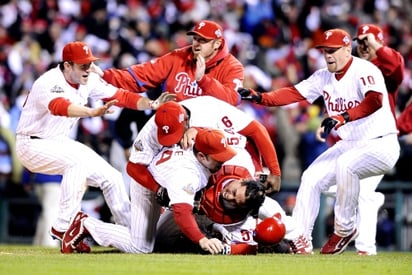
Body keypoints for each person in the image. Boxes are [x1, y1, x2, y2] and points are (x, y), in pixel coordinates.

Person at [238, 28, 400, 255]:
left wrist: (343, 116)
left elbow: (374, 100)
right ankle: (300, 239)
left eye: (333, 50)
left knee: (346, 165)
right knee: (311, 178)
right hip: (350, 143)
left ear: (347, 49)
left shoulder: (364, 68)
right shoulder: (323, 76)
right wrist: (261, 97)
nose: (328, 55)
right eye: (325, 51)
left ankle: (344, 229)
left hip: (380, 143)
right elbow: (293, 93)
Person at [14, 41, 175, 253]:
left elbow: (119, 96)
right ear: (68, 65)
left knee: (112, 177)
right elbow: (60, 107)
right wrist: (91, 112)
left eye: (90, 63)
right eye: (83, 65)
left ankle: (135, 235)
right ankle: (63, 227)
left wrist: (150, 104)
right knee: (77, 163)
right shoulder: (49, 81)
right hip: (31, 144)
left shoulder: (87, 79)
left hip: (58, 141)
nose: (88, 68)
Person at [60, 128, 265, 254]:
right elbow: (182, 213)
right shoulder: (189, 175)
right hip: (150, 188)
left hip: (161, 179)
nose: (223, 160)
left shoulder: (195, 142)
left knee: (135, 233)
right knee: (141, 247)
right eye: (217, 157)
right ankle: (85, 224)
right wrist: (201, 239)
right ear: (202, 156)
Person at [322, 23, 405, 256]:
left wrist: (376, 46)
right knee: (328, 185)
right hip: (353, 140)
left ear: (379, 43)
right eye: (360, 42)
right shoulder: (349, 71)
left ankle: (366, 249)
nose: (363, 46)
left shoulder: (383, 69)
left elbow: (397, 67)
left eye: (367, 41)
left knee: (363, 191)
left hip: (377, 140)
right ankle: (367, 232)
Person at [91, 20, 244, 106]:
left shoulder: (232, 66)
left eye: (203, 40)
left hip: (211, 133)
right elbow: (139, 77)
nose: (196, 44)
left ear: (217, 44)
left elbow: (233, 99)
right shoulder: (179, 57)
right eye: (195, 38)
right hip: (173, 126)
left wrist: (203, 81)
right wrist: (104, 74)